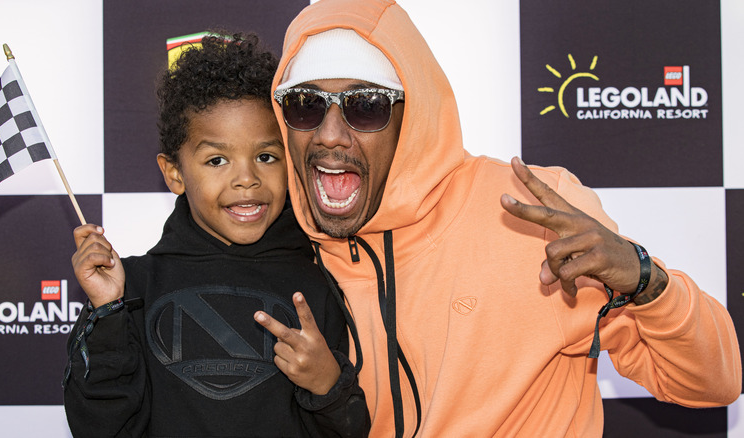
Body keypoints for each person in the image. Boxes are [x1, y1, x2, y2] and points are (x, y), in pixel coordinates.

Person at [268, 0, 742, 436]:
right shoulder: (282, 248)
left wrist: (646, 280)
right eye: (304, 105)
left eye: (365, 106)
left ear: (411, 117)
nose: (330, 136)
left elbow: (713, 384)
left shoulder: (531, 216)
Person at [62, 31, 369, 438]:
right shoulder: (130, 290)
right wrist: (106, 314)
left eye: (265, 156)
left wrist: (328, 387)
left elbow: (348, 432)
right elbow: (100, 427)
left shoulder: (319, 284)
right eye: (217, 159)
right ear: (174, 173)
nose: (246, 178)